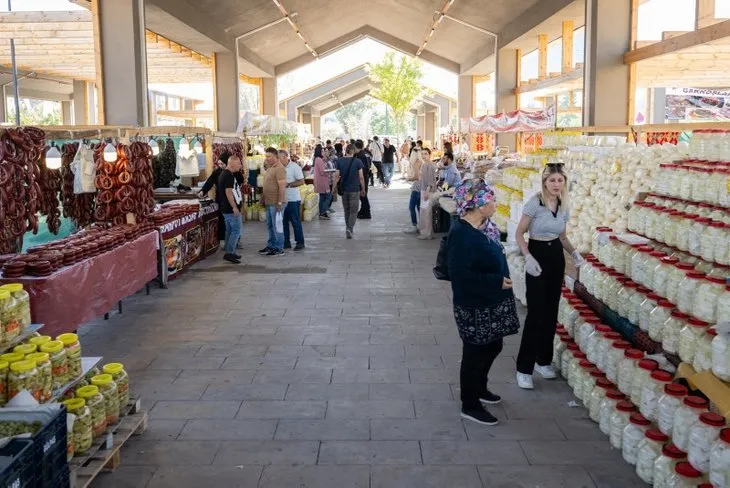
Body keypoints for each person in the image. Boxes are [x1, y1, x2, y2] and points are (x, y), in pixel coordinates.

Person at [447, 178, 519, 425]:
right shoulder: (462, 235)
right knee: (475, 352)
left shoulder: (485, 226)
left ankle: (480, 387)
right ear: (478, 203)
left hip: (491, 300)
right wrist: (495, 281)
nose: (495, 203)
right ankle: (470, 403)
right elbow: (460, 275)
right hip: (474, 303)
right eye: (491, 199)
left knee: (493, 345)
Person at [514, 163, 584, 389]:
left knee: (551, 310)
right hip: (537, 254)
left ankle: (543, 360)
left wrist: (574, 253)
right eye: (552, 180)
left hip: (555, 256)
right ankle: (523, 368)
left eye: (560, 180)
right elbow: (519, 233)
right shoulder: (535, 203)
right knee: (535, 312)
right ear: (544, 181)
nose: (556, 184)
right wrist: (528, 257)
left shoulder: (563, 205)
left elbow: (562, 236)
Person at [259, 147, 287, 257]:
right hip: (269, 202)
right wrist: (262, 198)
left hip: (276, 203)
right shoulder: (271, 167)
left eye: (269, 156)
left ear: (276, 157)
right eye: (266, 156)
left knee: (277, 227)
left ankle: (279, 248)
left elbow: (282, 187)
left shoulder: (279, 168)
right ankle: (271, 245)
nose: (267, 158)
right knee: (270, 226)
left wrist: (279, 203)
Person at [334, 143, 365, 239]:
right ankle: (349, 228)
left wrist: (333, 188)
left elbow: (336, 176)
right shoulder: (358, 162)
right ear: (353, 151)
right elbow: (361, 177)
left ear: (345, 151)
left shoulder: (339, 161)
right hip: (354, 189)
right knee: (354, 210)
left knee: (346, 210)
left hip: (344, 189)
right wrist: (363, 188)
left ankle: (348, 227)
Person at [217, 155, 244, 264]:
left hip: (225, 208)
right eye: (238, 163)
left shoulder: (225, 174)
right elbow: (229, 193)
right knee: (236, 230)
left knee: (229, 230)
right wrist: (234, 207)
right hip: (230, 208)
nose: (240, 166)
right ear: (232, 164)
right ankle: (229, 252)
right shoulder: (228, 176)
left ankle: (230, 252)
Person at [281, 149, 305, 251]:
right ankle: (286, 243)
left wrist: (289, 184)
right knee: (283, 222)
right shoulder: (278, 168)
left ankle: (300, 242)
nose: (278, 159)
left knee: (295, 221)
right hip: (282, 199)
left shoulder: (295, 167)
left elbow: (301, 181)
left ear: (285, 157)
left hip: (293, 199)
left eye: (279, 157)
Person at [417, 148, 438, 240]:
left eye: (425, 154)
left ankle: (427, 233)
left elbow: (430, 181)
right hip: (423, 190)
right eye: (422, 154)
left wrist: (427, 192)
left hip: (428, 191)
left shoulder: (430, 166)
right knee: (424, 211)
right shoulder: (424, 165)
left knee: (426, 212)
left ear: (429, 154)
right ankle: (427, 232)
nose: (423, 156)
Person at [404, 148, 423, 234]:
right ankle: (422, 225)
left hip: (416, 187)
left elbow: (416, 177)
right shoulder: (421, 162)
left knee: (411, 207)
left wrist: (409, 179)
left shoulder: (415, 163)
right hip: (421, 187)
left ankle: (414, 225)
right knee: (419, 207)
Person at [313, 144, 332, 220]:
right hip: (323, 181)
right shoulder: (319, 160)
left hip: (319, 181)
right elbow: (322, 171)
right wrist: (330, 172)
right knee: (328, 196)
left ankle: (322, 213)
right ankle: (323, 211)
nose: (323, 152)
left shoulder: (317, 159)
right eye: (322, 151)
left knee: (322, 197)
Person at [354, 140, 372, 220]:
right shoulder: (365, 153)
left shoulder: (360, 156)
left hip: (363, 176)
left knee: (363, 195)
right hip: (366, 176)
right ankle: (362, 211)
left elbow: (361, 168)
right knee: (363, 195)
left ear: (356, 147)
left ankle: (367, 213)